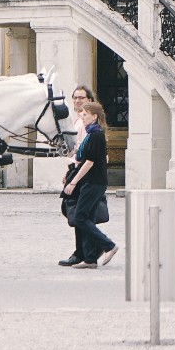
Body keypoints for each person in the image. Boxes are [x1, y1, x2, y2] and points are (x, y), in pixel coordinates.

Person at [59, 98, 115, 269]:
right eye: (82, 114)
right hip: (90, 182)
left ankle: (108, 245)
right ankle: (90, 259)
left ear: (95, 117)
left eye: (85, 114)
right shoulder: (92, 133)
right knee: (87, 216)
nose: (82, 117)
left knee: (80, 217)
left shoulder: (96, 135)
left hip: (94, 182)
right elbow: (81, 158)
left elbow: (89, 163)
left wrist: (73, 183)